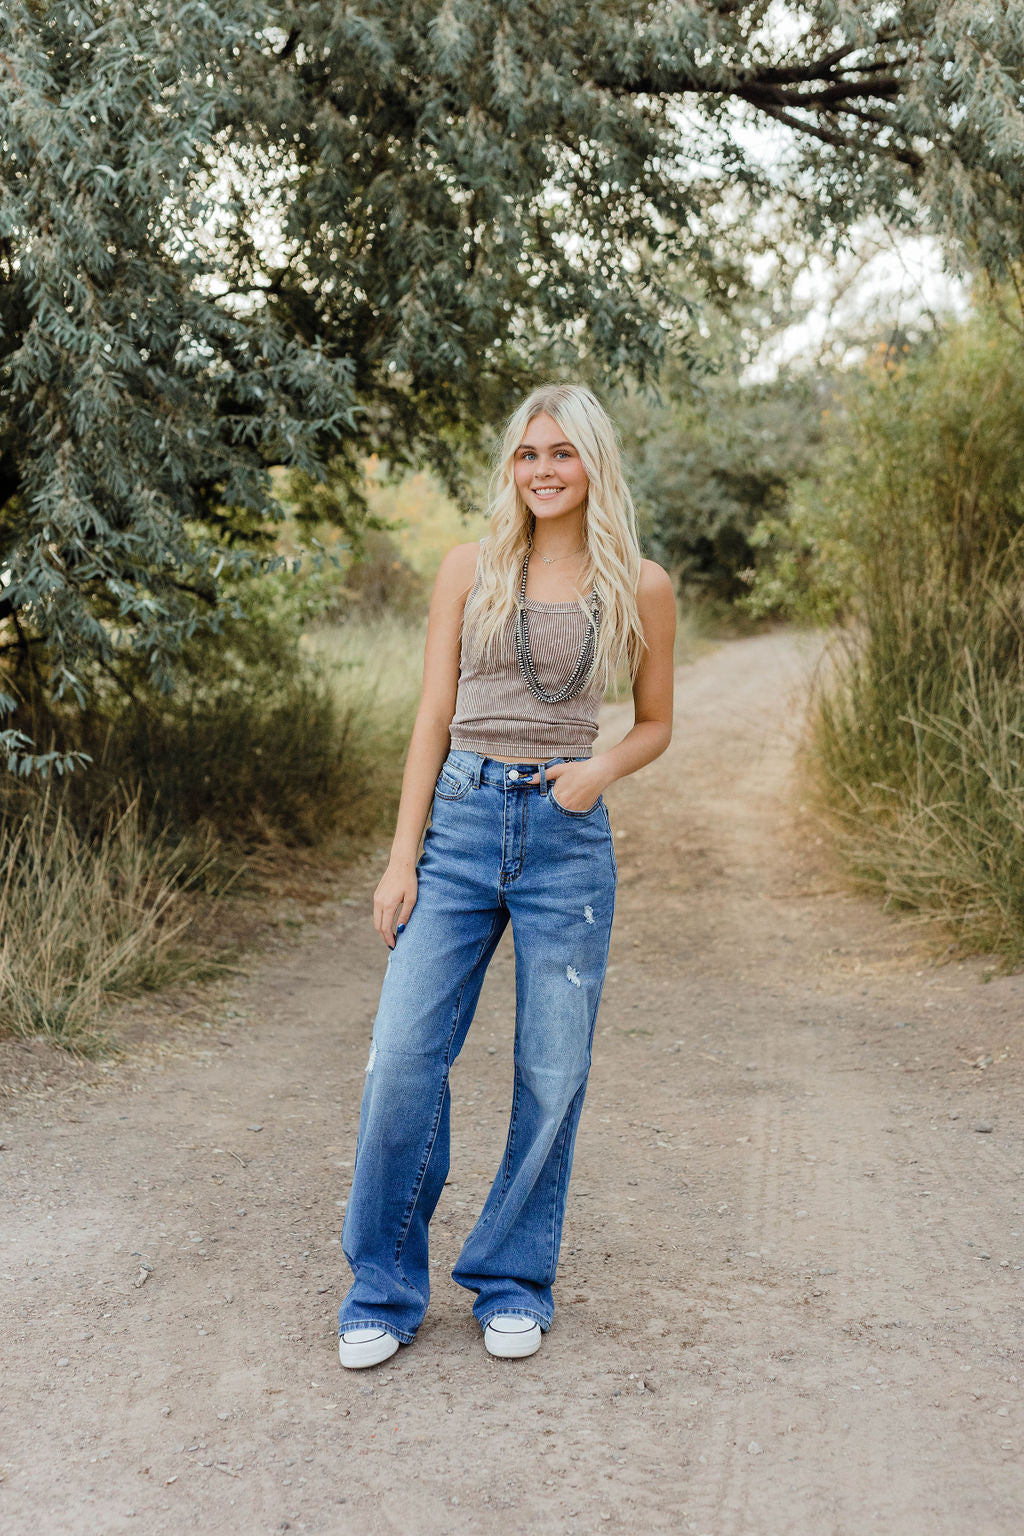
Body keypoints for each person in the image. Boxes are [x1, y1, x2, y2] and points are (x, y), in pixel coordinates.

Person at [337, 382, 676, 1369]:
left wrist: (596, 773)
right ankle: (382, 1288)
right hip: (460, 826)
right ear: (510, 468)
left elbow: (655, 722)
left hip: (566, 838)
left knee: (552, 1070)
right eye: (527, 454)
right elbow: (431, 720)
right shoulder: (469, 569)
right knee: (402, 1058)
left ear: (592, 465)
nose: (542, 470)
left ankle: (512, 1278)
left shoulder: (639, 584)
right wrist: (402, 858)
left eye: (561, 453)